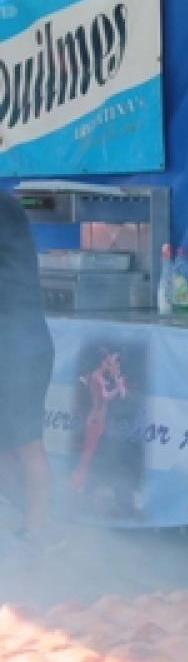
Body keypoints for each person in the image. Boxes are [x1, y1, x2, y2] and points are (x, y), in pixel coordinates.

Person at [0, 188, 56, 545]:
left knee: (25, 441)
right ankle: (17, 523)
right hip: (12, 344)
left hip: (22, 348)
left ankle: (37, 532)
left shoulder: (4, 208)